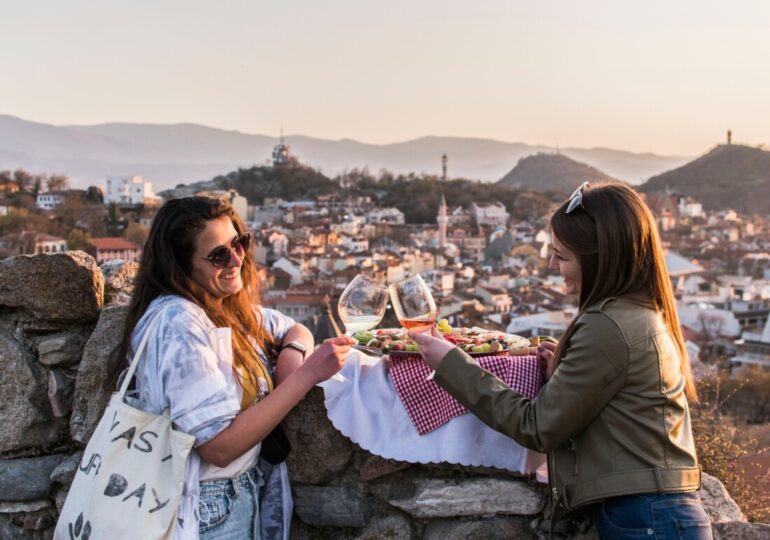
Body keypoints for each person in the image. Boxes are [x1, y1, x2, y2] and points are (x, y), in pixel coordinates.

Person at [411, 182, 712, 539]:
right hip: (657, 513)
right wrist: (565, 370)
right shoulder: (641, 311)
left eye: (563, 256)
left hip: (645, 517)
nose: (553, 264)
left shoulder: (609, 325)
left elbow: (537, 427)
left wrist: (452, 364)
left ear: (600, 257)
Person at [107, 195, 353, 539]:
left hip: (231, 496)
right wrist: (306, 376)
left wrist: (291, 355)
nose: (236, 258)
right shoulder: (181, 325)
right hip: (206, 507)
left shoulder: (221, 308)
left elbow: (289, 327)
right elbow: (218, 447)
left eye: (239, 243)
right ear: (181, 265)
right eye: (219, 254)